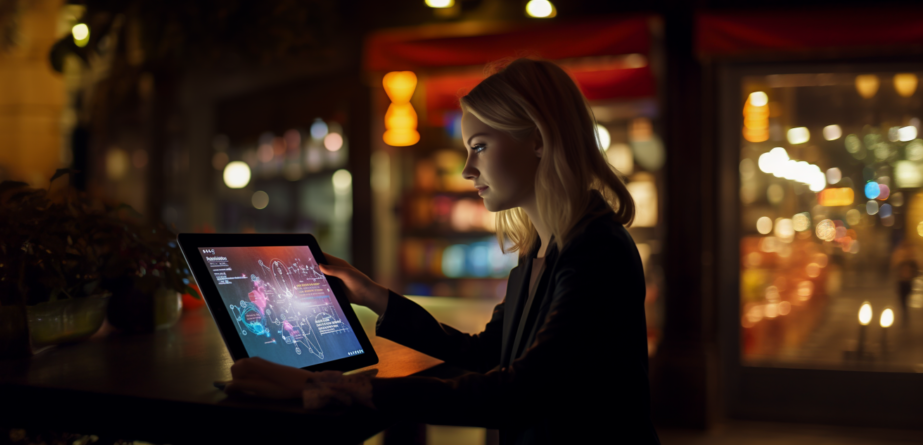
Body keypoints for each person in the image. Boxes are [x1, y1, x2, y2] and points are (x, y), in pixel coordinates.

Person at [225, 58, 661, 444]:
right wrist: (375, 296)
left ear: (539, 140)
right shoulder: (542, 248)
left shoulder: (596, 251)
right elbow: (486, 354)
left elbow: (518, 394)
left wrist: (339, 387)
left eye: (480, 147)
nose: (469, 170)